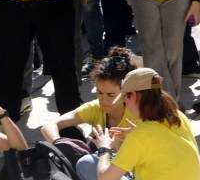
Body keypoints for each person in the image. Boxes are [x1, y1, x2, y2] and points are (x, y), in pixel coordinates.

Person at [88, 67, 200, 179]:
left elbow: (105, 178)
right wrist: (135, 134)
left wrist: (104, 148)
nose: (125, 103)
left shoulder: (140, 135)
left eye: (125, 98)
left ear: (133, 95)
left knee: (86, 163)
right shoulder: (177, 115)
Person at [41, 47, 134, 179]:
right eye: (99, 93)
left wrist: (108, 148)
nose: (103, 100)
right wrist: (62, 148)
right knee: (69, 137)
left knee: (86, 163)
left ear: (125, 93)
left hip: (131, 171)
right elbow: (49, 126)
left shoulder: (137, 113)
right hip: (104, 168)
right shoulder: (95, 107)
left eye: (111, 95)